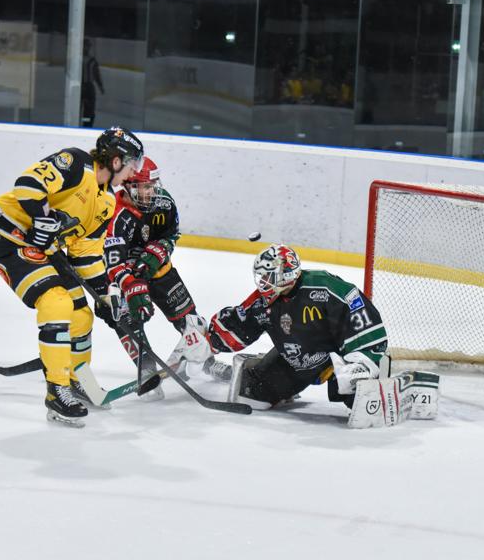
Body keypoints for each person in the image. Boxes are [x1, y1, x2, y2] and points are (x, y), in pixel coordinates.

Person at [0, 126, 145, 427]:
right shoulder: (75, 163)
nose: (133, 173)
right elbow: (28, 185)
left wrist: (106, 297)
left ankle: (75, 379)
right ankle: (56, 392)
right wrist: (43, 218)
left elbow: (84, 251)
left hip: (47, 251)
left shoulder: (106, 201)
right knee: (57, 303)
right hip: (10, 242)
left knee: (82, 315)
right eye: (132, 163)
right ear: (116, 160)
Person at [204, 245, 439, 427]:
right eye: (261, 277)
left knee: (359, 396)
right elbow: (239, 324)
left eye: (270, 277)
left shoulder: (323, 289)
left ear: (287, 273)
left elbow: (360, 316)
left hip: (336, 358)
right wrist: (209, 339)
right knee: (251, 394)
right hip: (295, 361)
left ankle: (390, 380)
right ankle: (289, 387)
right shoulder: (263, 301)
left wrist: (364, 360)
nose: (264, 283)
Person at [103, 156, 231, 399]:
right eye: (144, 187)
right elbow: (113, 263)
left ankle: (206, 361)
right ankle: (146, 368)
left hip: (161, 271)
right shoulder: (116, 215)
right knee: (126, 320)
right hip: (126, 278)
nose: (151, 192)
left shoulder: (164, 202)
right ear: (128, 187)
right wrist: (130, 285)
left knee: (190, 319)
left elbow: (172, 234)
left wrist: (158, 251)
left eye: (152, 186)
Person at [80, 39, 105, 128]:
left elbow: (96, 74)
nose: (86, 48)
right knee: (78, 108)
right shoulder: (77, 59)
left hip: (89, 87)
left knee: (89, 110)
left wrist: (100, 86)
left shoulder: (92, 61)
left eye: (88, 46)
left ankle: (87, 126)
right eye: (85, 46)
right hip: (80, 87)